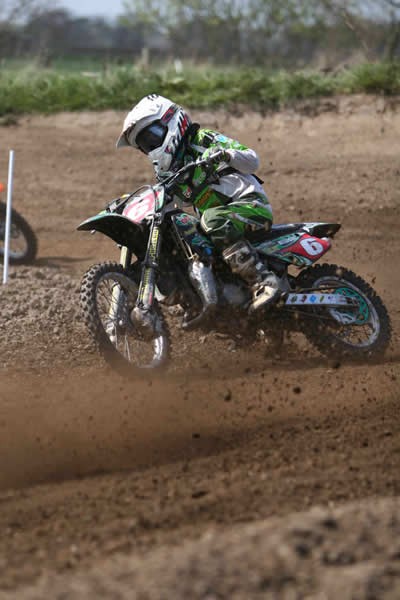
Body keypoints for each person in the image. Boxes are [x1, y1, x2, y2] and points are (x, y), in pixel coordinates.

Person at [116, 93, 281, 317]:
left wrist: (226, 154)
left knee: (212, 219)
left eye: (151, 137)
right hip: (217, 227)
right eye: (145, 145)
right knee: (183, 235)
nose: (150, 147)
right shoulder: (171, 171)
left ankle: (264, 281)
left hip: (250, 207)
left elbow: (252, 160)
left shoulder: (202, 139)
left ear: (170, 120)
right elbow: (167, 207)